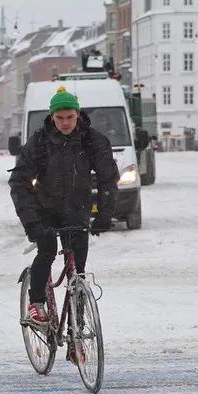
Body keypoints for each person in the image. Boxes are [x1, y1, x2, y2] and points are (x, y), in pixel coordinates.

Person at [8, 87, 119, 362]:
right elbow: (19, 183)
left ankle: (75, 335)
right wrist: (32, 223)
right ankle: (36, 303)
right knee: (46, 250)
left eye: (70, 117)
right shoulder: (40, 142)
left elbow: (108, 178)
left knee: (78, 274)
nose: (66, 123)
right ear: (52, 117)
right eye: (60, 118)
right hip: (45, 211)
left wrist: (105, 213)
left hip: (77, 212)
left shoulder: (93, 141)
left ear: (78, 115)